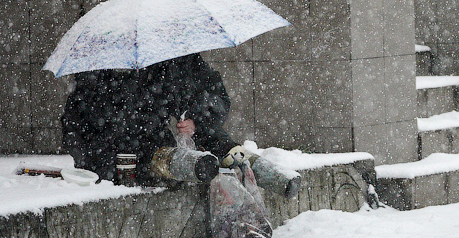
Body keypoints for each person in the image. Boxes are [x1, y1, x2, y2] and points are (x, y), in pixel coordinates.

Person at [62, 53, 302, 195]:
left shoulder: (180, 61)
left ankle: (263, 170)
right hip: (126, 151)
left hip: (154, 140)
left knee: (215, 139)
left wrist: (194, 119)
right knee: (154, 152)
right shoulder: (100, 74)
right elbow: (83, 127)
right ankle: (198, 165)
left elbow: (216, 96)